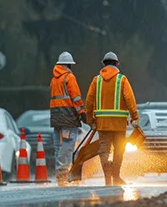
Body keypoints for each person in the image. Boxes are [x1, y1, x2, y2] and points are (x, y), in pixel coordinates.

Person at [85, 52, 139, 186]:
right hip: (119, 124)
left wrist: (90, 120)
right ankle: (116, 176)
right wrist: (134, 117)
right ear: (116, 64)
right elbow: (130, 99)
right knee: (119, 149)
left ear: (104, 64)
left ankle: (107, 177)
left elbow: (89, 101)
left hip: (102, 124)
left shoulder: (96, 80)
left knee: (104, 150)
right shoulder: (122, 79)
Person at [49, 51, 85, 185]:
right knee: (68, 144)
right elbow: (75, 97)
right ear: (69, 64)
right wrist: (81, 112)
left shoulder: (54, 79)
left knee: (58, 145)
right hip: (68, 117)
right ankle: (63, 172)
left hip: (56, 117)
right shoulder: (69, 77)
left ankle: (60, 173)